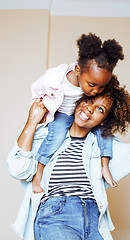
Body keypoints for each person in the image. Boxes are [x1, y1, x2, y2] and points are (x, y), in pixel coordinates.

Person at [7, 75, 130, 240]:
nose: (90, 109)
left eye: (100, 109)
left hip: (94, 220)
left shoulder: (102, 148)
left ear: (104, 121)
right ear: (79, 100)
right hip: (56, 215)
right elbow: (17, 168)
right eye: (89, 100)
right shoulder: (49, 136)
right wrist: (31, 121)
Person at [32, 33, 124, 192]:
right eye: (92, 85)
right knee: (58, 135)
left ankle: (104, 166)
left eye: (101, 87)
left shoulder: (91, 88)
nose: (96, 91)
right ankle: (38, 173)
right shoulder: (55, 79)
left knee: (105, 131)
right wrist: (38, 107)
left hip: (78, 113)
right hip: (61, 115)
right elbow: (37, 87)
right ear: (77, 69)